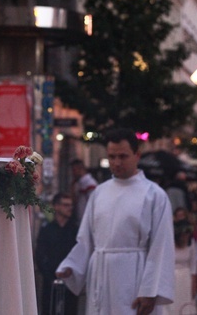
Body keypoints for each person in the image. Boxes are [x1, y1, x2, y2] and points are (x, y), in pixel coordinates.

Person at [56, 127, 175, 315]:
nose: (117, 162)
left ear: (137, 155)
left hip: (134, 279)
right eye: (112, 157)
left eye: (123, 156)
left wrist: (150, 291)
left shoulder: (154, 195)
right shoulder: (99, 193)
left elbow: (161, 246)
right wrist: (72, 266)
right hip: (101, 277)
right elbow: (86, 239)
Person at [34, 193, 79, 315]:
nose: (69, 208)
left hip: (70, 281)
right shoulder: (47, 229)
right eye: (65, 205)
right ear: (56, 206)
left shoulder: (75, 230)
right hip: (50, 281)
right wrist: (49, 275)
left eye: (71, 205)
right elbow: (40, 254)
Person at [169, 219, 197, 315]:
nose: (185, 236)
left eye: (187, 234)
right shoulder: (169, 244)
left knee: (186, 304)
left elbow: (193, 266)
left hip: (186, 278)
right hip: (172, 278)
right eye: (183, 234)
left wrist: (194, 284)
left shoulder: (191, 243)